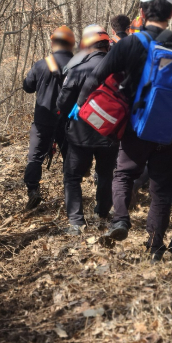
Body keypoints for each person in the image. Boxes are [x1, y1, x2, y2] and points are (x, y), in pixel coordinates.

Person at [71, 0, 172, 260]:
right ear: (171, 12)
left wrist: (80, 105)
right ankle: (155, 246)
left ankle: (120, 220)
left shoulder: (131, 43)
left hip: (135, 128)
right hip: (171, 131)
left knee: (123, 174)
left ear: (142, 12)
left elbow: (96, 76)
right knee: (161, 189)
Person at [56, 25, 119, 235]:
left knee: (72, 177)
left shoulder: (78, 69)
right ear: (106, 45)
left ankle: (76, 222)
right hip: (110, 133)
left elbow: (62, 103)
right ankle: (102, 212)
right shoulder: (120, 71)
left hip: (80, 133)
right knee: (105, 174)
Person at [22, 26, 76, 209]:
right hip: (69, 119)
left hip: (44, 118)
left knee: (35, 157)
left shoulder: (41, 64)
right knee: (70, 156)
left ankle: (33, 191)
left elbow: (28, 87)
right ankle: (71, 196)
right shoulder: (78, 63)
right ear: (71, 44)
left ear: (53, 42)